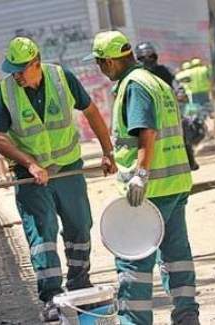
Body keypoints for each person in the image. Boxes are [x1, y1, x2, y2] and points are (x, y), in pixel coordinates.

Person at [0, 36, 117, 322]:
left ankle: (80, 282)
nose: (17, 75)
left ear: (36, 63)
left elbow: (91, 111)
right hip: (31, 177)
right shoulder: (6, 91)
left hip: (68, 168)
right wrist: (30, 164)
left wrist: (108, 151)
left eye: (22, 69)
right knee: (42, 233)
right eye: (13, 70)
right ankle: (51, 297)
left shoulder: (61, 77)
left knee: (79, 225)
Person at [86, 30, 200, 325]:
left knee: (133, 258)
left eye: (100, 62)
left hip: (148, 190)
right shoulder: (156, 81)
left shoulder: (133, 85)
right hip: (174, 182)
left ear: (111, 61)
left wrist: (139, 174)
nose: (100, 68)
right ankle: (187, 316)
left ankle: (134, 321)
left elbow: (145, 132)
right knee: (176, 254)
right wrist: (119, 159)